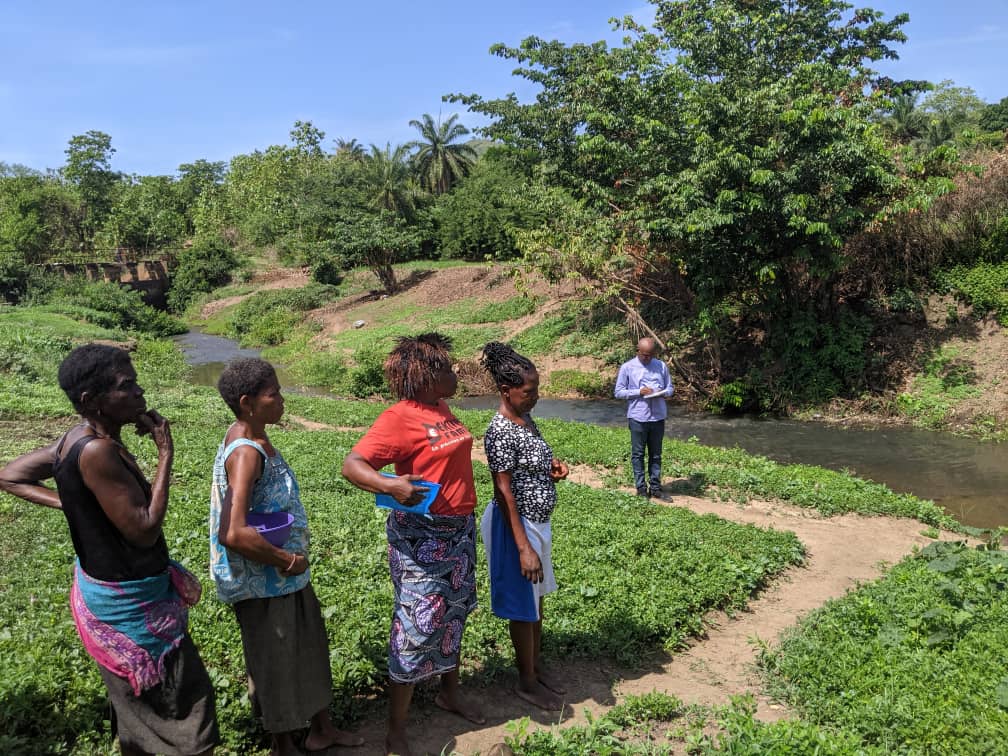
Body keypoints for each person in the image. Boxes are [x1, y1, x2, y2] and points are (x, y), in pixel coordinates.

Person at [0, 344, 219, 756]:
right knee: (181, 704)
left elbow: (10, 476)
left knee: (140, 712)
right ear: (93, 401)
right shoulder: (97, 451)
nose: (139, 392)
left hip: (107, 593)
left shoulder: (74, 439)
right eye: (126, 386)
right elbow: (145, 531)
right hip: (133, 610)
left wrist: (83, 505)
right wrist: (165, 453)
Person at [340, 333, 484, 756]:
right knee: (416, 626)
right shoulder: (398, 418)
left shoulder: (439, 407)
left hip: (458, 532)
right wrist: (388, 484)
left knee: (456, 613)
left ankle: (449, 693)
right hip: (422, 540)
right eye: (447, 368)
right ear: (425, 376)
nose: (454, 373)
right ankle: (396, 729)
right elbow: (353, 464)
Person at [210, 358, 362, 756]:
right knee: (274, 661)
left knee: (308, 647)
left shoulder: (253, 435)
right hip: (265, 580)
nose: (282, 399)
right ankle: (283, 744)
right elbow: (234, 532)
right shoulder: (244, 453)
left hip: (285, 577)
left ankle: (321, 728)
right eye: (273, 393)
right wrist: (286, 560)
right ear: (248, 402)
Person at [478, 342, 569, 712]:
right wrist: (523, 548)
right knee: (523, 605)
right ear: (506, 391)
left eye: (537, 390)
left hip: (538, 522)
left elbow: (527, 468)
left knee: (538, 598)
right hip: (515, 527)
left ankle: (535, 663)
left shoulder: (525, 419)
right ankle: (526, 682)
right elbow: (503, 492)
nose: (535, 397)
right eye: (528, 392)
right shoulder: (499, 430)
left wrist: (551, 470)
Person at [614, 337, 673, 498]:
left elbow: (670, 388)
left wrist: (662, 392)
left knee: (656, 454)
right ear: (637, 351)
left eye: (650, 355)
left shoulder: (661, 366)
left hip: (657, 417)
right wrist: (638, 392)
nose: (647, 358)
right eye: (644, 355)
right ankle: (641, 488)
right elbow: (618, 392)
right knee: (638, 454)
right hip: (638, 417)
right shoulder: (627, 367)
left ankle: (655, 488)